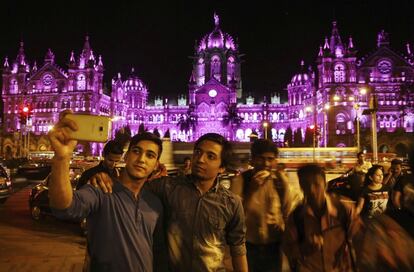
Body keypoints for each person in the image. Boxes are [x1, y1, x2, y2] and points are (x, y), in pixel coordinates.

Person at [93, 133, 248, 271]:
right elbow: (131, 184)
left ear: (222, 167)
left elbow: (238, 249)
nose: (200, 160)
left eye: (211, 156)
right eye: (198, 152)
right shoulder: (168, 187)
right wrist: (105, 177)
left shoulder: (231, 203)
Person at [48, 115, 167, 272]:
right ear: (126, 156)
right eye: (136, 151)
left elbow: (157, 250)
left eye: (150, 155)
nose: (141, 159)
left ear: (156, 165)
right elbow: (64, 207)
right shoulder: (102, 190)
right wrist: (62, 158)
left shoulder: (154, 203)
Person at [283, 164, 360, 272]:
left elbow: (359, 239)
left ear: (325, 185)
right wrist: (305, 247)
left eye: (316, 184)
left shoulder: (344, 209)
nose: (312, 190)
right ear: (301, 186)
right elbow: (288, 249)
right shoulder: (297, 216)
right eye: (306, 184)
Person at [230, 139, 285, 272]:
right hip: (248, 249)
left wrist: (282, 224)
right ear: (253, 160)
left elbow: (289, 211)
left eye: (270, 159)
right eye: (261, 159)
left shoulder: (281, 182)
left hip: (273, 248)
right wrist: (251, 191)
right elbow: (232, 217)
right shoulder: (242, 181)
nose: (266, 163)